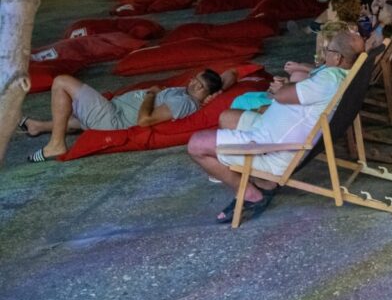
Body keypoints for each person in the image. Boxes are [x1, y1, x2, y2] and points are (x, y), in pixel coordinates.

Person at [188, 31, 365, 223]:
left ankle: (250, 194)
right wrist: (290, 85)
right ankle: (263, 181)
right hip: (269, 129)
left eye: (328, 50)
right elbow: (302, 89)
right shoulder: (343, 74)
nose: (325, 53)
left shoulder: (328, 79)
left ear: (337, 58)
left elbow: (281, 95)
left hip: (273, 148)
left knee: (196, 145)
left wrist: (283, 87)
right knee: (227, 117)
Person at [22, 68, 229, 162]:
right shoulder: (188, 93)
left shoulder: (184, 102)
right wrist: (217, 91)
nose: (193, 83)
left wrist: (151, 94)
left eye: (199, 85)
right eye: (195, 79)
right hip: (112, 110)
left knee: (61, 81)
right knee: (76, 119)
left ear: (203, 93)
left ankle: (56, 144)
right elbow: (231, 74)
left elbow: (144, 121)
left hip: (112, 119)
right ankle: (38, 126)